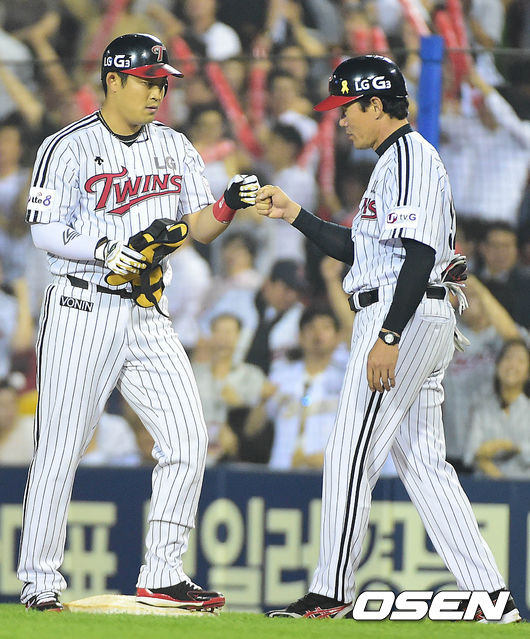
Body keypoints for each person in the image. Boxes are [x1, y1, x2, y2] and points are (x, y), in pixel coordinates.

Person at [256, 55, 521, 623]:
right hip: (413, 311)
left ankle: (331, 591)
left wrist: (390, 334)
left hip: (404, 314)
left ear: (376, 104)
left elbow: (420, 255)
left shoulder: (409, 157)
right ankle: (489, 597)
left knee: (350, 449)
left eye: (347, 108)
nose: (340, 119)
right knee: (423, 463)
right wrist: (295, 214)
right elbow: (361, 250)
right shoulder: (394, 162)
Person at [17, 33, 260, 613]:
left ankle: (163, 573)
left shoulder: (175, 146)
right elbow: (44, 230)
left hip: (149, 311)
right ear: (114, 80)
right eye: (148, 82)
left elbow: (198, 226)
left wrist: (228, 203)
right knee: (61, 446)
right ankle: (39, 580)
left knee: (189, 439)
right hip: (82, 306)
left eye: (163, 83)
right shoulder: (66, 146)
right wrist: (103, 248)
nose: (158, 92)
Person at [464, 339, 530, 479]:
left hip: (524, 486)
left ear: (527, 373)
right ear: (497, 365)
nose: (512, 365)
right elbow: (470, 454)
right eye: (508, 357)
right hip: (485, 485)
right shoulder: (481, 408)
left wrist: (509, 446)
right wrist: (491, 469)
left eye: (520, 360)